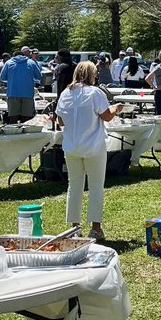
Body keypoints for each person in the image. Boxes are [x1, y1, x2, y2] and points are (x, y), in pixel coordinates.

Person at [56, 60, 124, 243]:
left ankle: (74, 227)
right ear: (90, 75)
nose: (96, 76)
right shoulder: (95, 93)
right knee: (95, 186)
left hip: (71, 146)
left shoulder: (65, 93)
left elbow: (60, 121)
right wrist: (116, 108)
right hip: (93, 146)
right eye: (95, 74)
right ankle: (95, 228)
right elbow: (107, 116)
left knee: (74, 186)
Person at [0, 46, 41, 123]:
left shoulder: (8, 63)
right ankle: (26, 134)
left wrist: (12, 79)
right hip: (28, 94)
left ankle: (13, 133)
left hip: (12, 93)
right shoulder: (31, 62)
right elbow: (39, 76)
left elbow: (1, 77)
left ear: (13, 56)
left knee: (13, 118)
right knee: (27, 119)